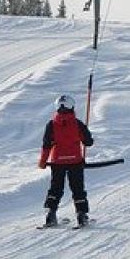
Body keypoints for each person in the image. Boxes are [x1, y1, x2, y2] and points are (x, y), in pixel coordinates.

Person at [38, 95, 94, 228]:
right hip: (76, 161)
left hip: (57, 162)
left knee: (55, 188)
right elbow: (88, 142)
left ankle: (51, 215)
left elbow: (46, 145)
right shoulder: (78, 124)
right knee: (77, 188)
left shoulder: (51, 125)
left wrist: (43, 161)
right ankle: (81, 216)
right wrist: (85, 137)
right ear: (72, 106)